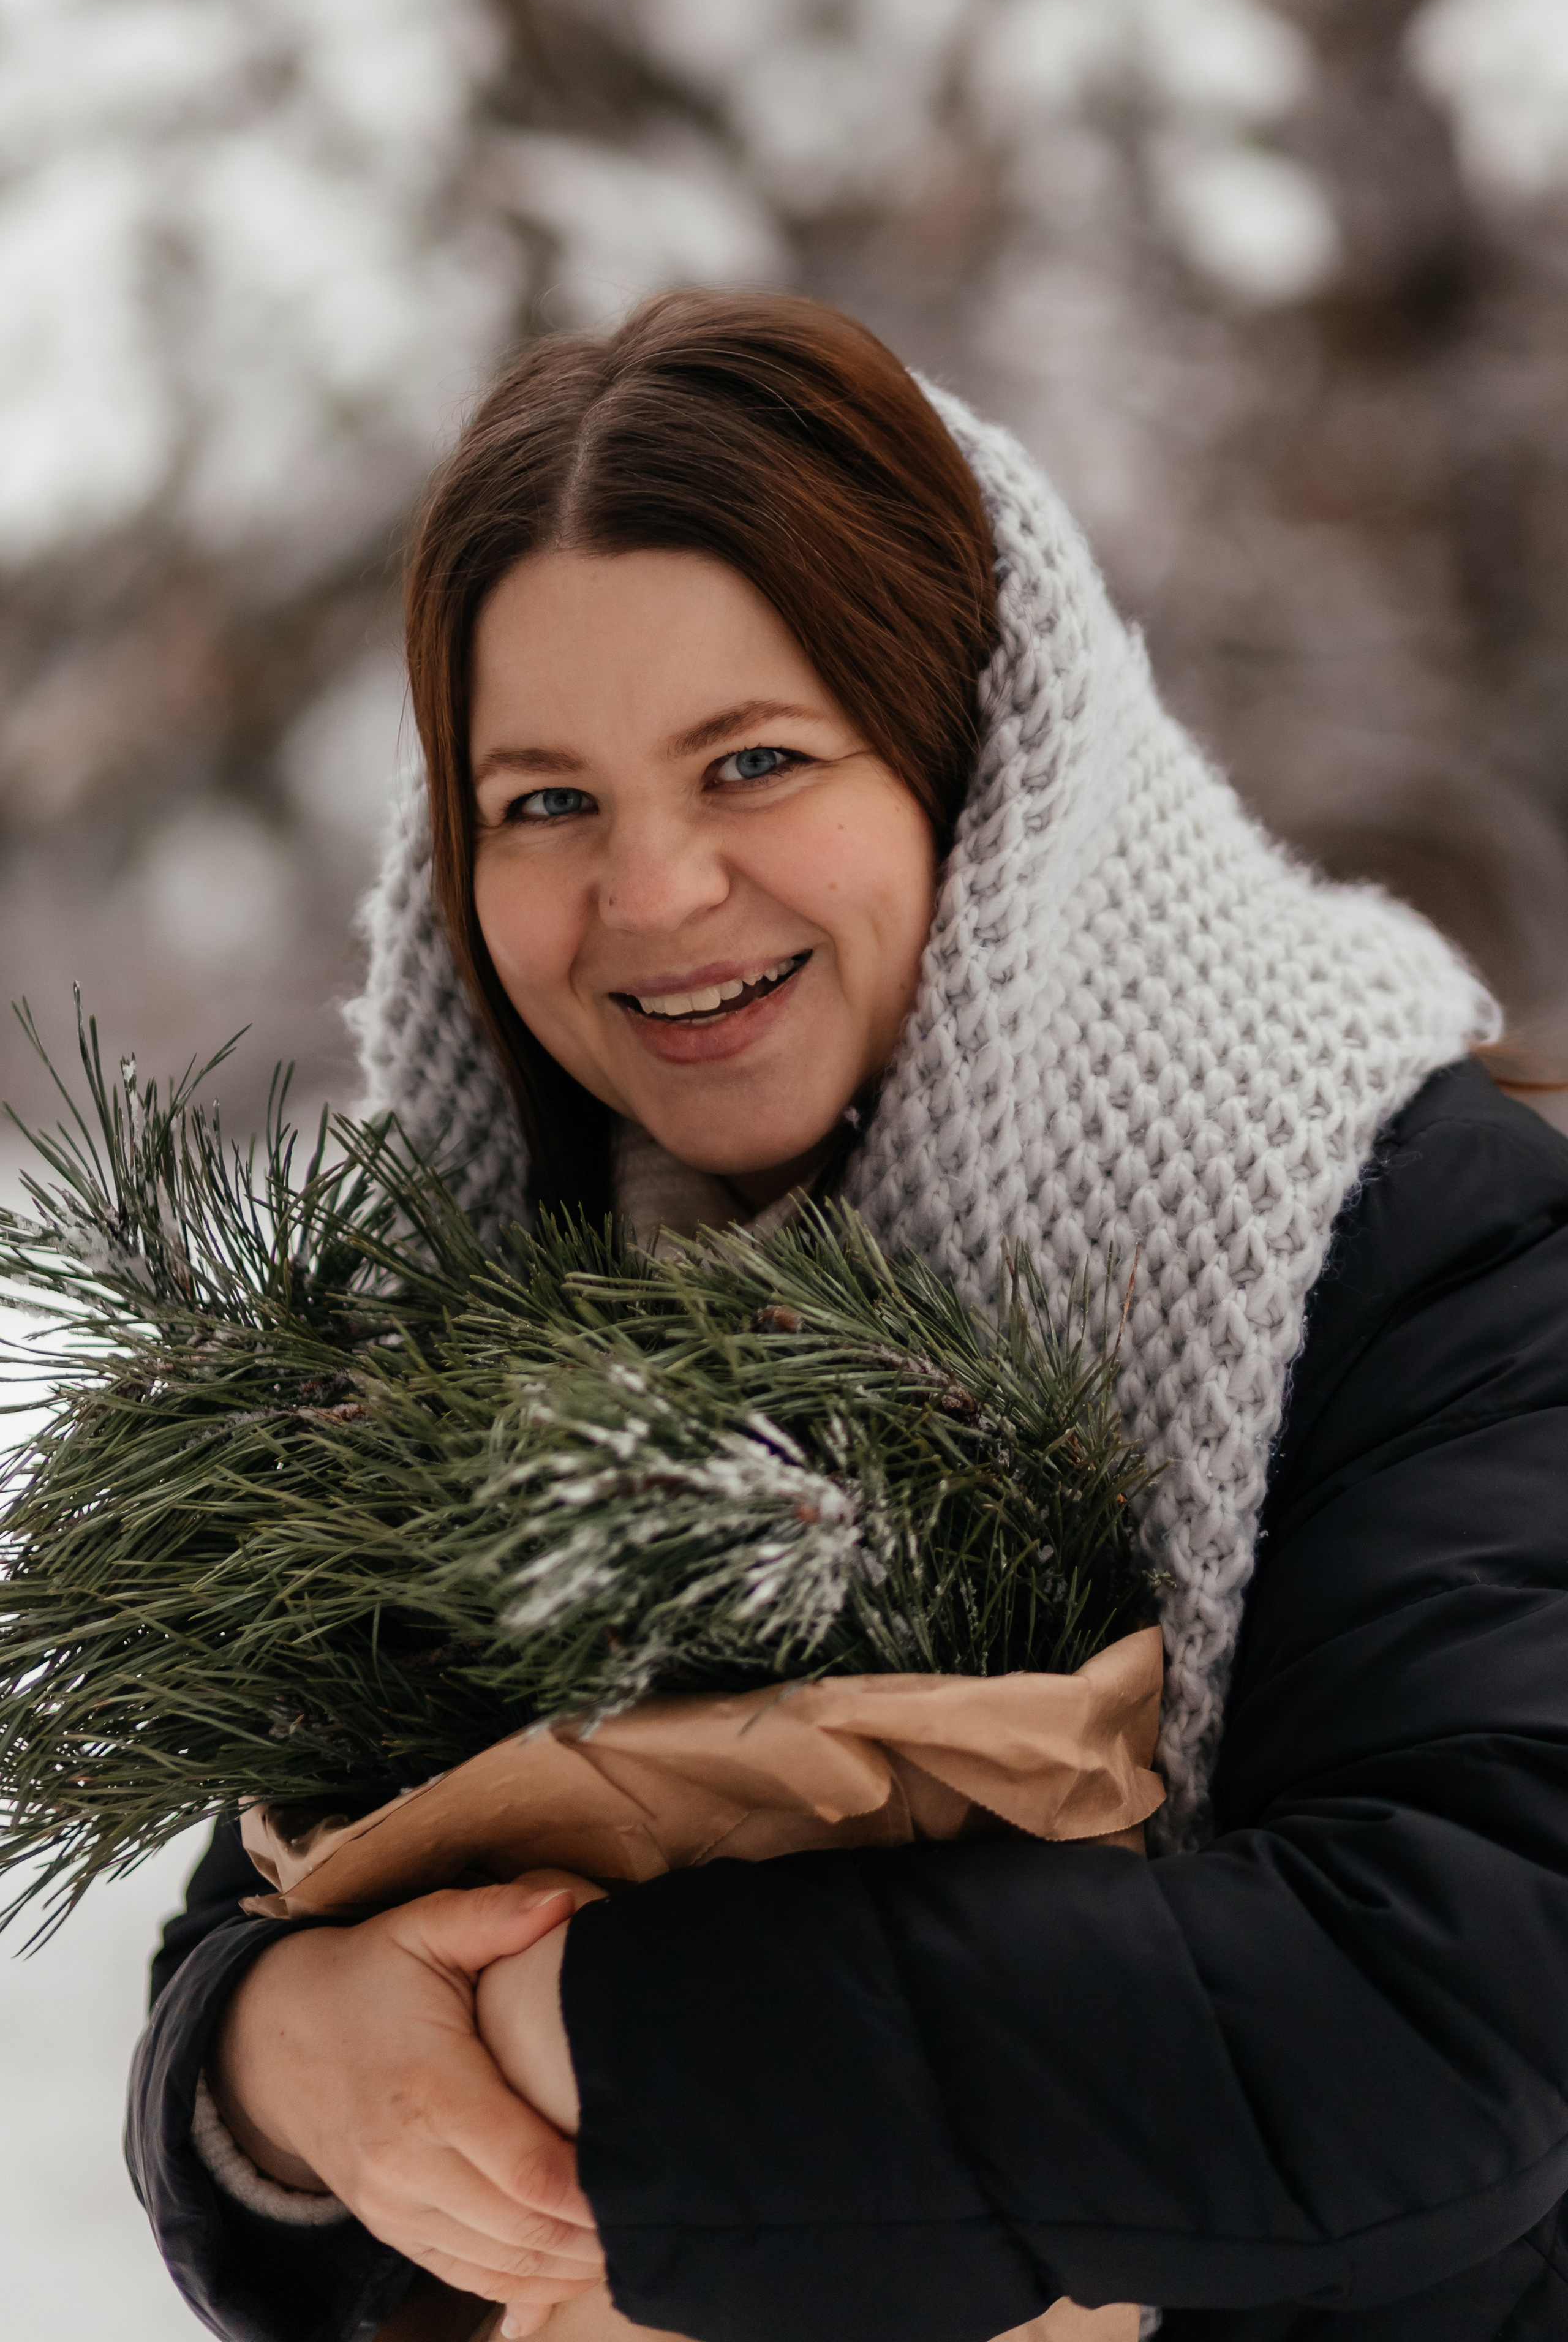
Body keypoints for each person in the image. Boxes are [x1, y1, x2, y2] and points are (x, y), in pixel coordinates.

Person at [127, 291, 1568, 2342]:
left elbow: (1445, 2013)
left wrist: (576, 2039)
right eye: (544, 801)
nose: (653, 891)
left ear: (983, 766)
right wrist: (268, 2068)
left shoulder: (1410, 1231)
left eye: (755, 762)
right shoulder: (481, 1292)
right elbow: (265, 1906)